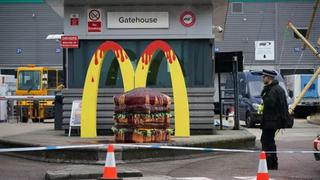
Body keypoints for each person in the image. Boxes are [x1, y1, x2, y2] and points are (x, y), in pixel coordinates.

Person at [259, 69, 288, 170]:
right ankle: (271, 163)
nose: (262, 78)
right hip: (272, 120)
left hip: (271, 121)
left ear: (269, 78)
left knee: (267, 141)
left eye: (264, 77)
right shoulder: (277, 88)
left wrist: (264, 96)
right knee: (268, 140)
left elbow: (270, 103)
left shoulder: (273, 90)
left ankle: (270, 164)